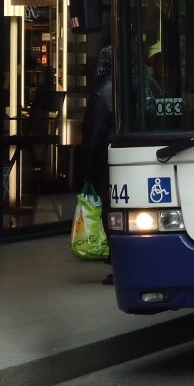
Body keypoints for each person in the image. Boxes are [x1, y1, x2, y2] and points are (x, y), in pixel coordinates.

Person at [79, 45, 114, 283]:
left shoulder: (101, 92)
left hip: (105, 161)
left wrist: (85, 170)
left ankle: (116, 259)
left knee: (109, 212)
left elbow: (92, 135)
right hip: (119, 158)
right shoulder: (133, 85)